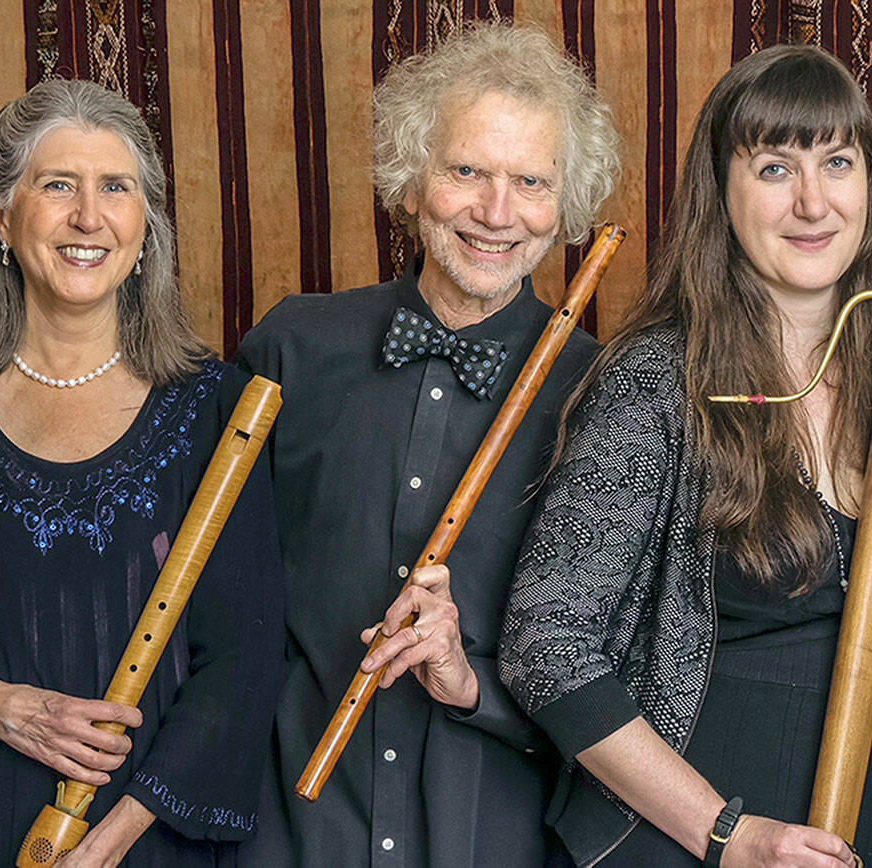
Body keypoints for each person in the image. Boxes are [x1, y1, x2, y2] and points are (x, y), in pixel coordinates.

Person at [499, 44, 872, 867]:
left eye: (837, 161)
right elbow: (543, 644)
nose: (812, 200)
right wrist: (729, 835)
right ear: (719, 193)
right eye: (773, 168)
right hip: (688, 836)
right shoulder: (658, 377)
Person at [235, 22, 619, 867]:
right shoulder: (290, 351)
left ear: (564, 210)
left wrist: (468, 679)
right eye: (466, 172)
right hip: (292, 838)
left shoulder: (606, 398)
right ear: (411, 183)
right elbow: (214, 615)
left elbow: (623, 669)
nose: (496, 212)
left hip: (496, 840)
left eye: (530, 182)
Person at [0, 79, 285, 867]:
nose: (89, 217)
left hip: (141, 839)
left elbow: (244, 663)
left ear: (145, 227)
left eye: (114, 189)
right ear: (2, 219)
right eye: (58, 186)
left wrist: (105, 842)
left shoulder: (215, 407)